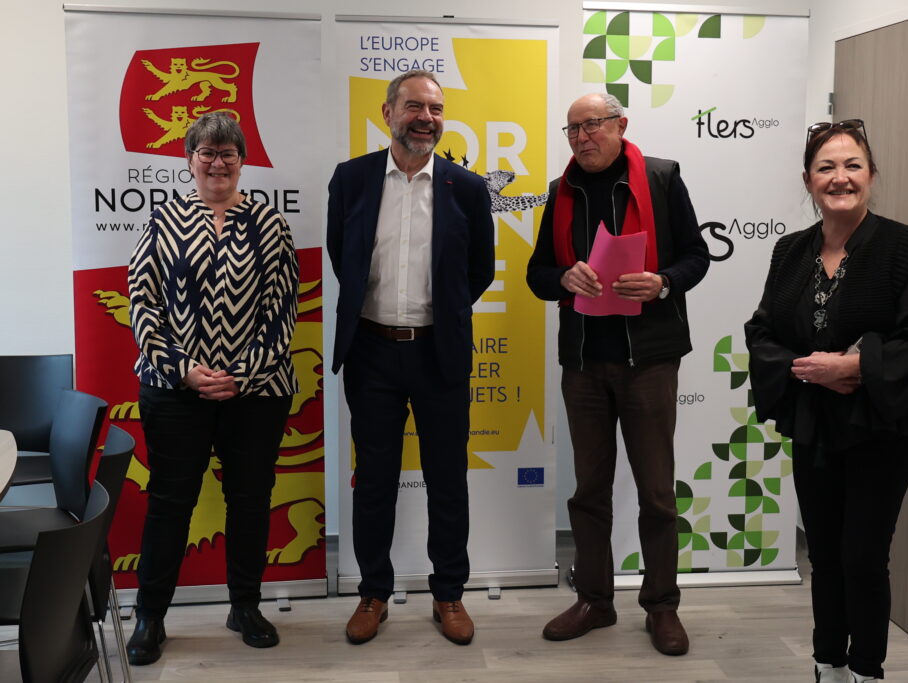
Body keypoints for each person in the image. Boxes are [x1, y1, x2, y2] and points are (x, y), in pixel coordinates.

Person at [744, 119, 908, 683]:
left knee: (862, 556)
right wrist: (808, 369)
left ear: (871, 175)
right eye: (826, 168)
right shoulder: (789, 251)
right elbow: (762, 331)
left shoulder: (902, 244)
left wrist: (856, 366)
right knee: (825, 556)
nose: (840, 177)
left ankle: (866, 671)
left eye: (852, 165)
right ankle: (826, 664)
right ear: (808, 181)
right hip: (815, 421)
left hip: (881, 423)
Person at [526, 93, 710, 656]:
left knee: (656, 493)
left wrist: (663, 282)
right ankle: (595, 601)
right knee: (588, 492)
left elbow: (696, 256)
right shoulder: (560, 193)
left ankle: (661, 607)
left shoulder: (661, 178)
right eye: (573, 129)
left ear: (620, 125)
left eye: (593, 126)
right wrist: (564, 279)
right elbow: (537, 274)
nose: (582, 137)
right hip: (583, 363)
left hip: (649, 361)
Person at [326, 70, 494, 646]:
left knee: (447, 479)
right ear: (387, 113)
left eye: (437, 108)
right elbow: (340, 255)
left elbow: (479, 271)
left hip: (438, 354)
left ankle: (448, 593)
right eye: (415, 106)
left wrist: (437, 316)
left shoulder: (467, 188)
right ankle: (373, 592)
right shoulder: (351, 180)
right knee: (373, 480)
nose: (427, 117)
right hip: (372, 352)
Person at [126, 111, 299, 664]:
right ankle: (151, 616)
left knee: (250, 501)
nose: (218, 162)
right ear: (189, 160)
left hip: (258, 390)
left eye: (228, 153)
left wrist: (243, 373)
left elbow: (283, 309)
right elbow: (143, 303)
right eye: (207, 152)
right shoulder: (163, 221)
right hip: (175, 389)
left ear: (242, 161)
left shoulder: (269, 224)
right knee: (170, 502)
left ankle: (244, 605)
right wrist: (183, 368)